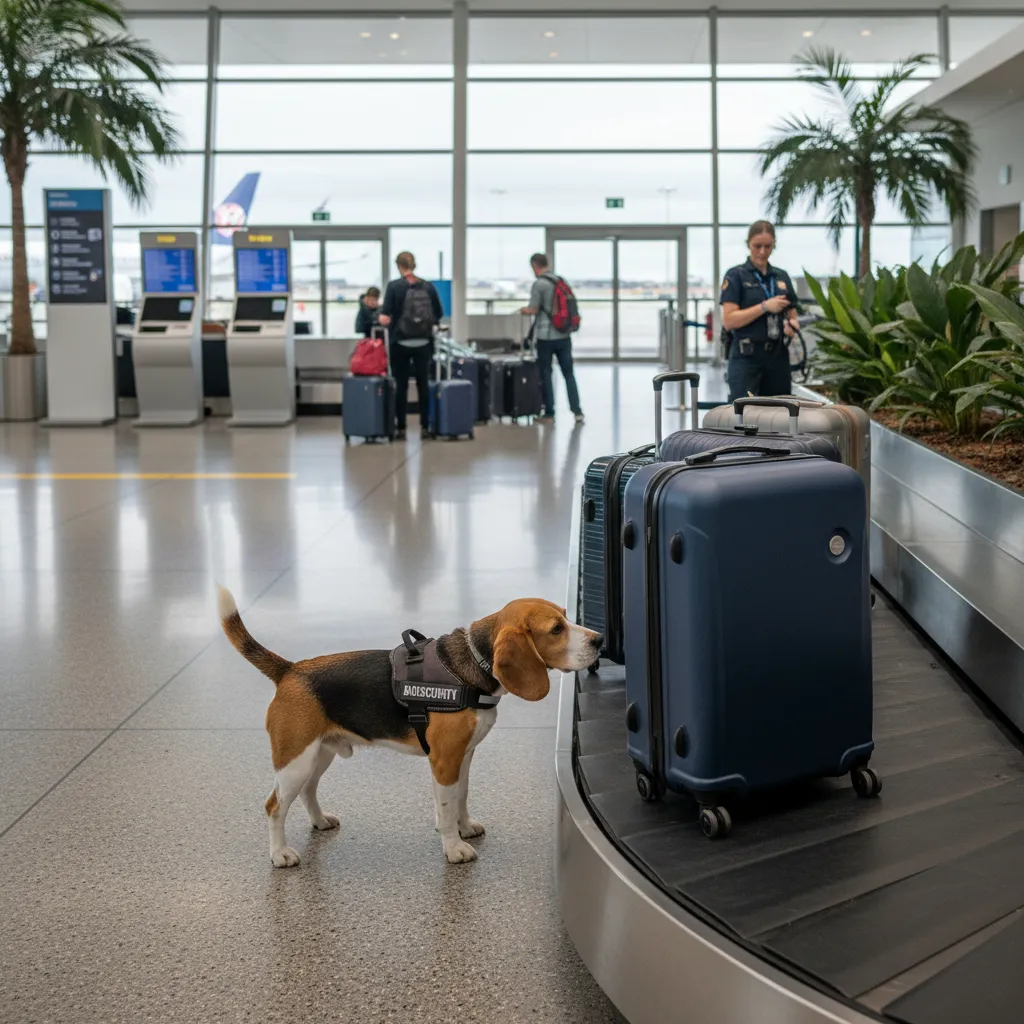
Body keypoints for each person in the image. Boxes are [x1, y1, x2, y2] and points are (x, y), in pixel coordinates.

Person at [720, 220, 799, 402]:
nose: (762, 252)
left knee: (780, 414)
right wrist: (764, 307)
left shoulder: (781, 276)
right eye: (757, 246)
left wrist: (792, 326)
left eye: (768, 246)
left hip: (777, 356)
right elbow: (730, 321)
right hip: (746, 356)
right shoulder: (735, 276)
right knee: (742, 414)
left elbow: (792, 314)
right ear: (748, 244)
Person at [379, 252, 443, 440]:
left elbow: (385, 316)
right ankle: (425, 426)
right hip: (423, 343)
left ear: (399, 266)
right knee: (424, 385)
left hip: (400, 343)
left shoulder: (394, 287)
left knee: (401, 386)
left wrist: (385, 319)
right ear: (414, 265)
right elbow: (438, 314)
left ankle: (401, 427)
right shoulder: (428, 287)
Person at [521, 253, 584, 424]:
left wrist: (524, 310)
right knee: (568, 374)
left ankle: (549, 413)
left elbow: (533, 309)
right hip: (564, 335)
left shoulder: (540, 284)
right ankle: (577, 411)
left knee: (546, 374)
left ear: (535, 266)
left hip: (546, 336)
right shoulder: (560, 281)